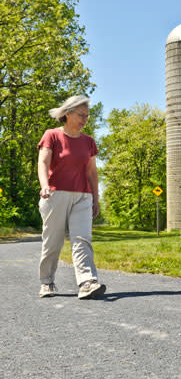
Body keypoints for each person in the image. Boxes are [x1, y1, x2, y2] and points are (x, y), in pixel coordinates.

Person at [37, 95, 106, 300]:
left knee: (82, 239)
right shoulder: (52, 135)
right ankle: (47, 282)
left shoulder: (88, 141)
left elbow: (92, 172)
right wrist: (45, 186)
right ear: (67, 114)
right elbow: (43, 162)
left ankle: (87, 282)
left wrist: (96, 197)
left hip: (83, 196)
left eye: (87, 115)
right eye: (80, 115)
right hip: (56, 193)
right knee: (53, 241)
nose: (85, 119)